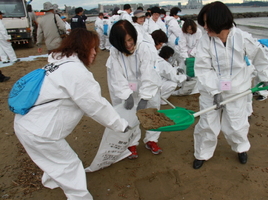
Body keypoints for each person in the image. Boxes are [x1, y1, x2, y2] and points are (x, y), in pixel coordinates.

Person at [14, 28, 129, 200]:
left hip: (26, 124)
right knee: (70, 165)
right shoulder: (76, 72)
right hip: (39, 131)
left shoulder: (57, 63)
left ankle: (52, 180)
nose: (95, 52)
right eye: (92, 48)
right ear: (82, 47)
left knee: (51, 158)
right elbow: (96, 106)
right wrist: (121, 125)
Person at [193, 1, 268, 169]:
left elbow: (262, 59)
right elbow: (202, 68)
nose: (205, 27)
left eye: (208, 23)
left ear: (220, 21)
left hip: (237, 89)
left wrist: (264, 80)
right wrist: (215, 91)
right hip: (210, 90)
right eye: (204, 24)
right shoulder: (204, 40)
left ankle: (240, 148)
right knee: (207, 123)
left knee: (237, 123)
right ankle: (202, 153)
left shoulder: (242, 38)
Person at [106, 20, 162, 159]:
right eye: (124, 43)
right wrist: (125, 94)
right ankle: (131, 142)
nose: (129, 45)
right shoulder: (115, 52)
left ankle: (151, 139)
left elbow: (149, 73)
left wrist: (145, 97)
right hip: (127, 85)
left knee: (152, 109)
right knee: (128, 113)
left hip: (146, 84)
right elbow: (117, 75)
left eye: (130, 40)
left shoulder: (145, 48)